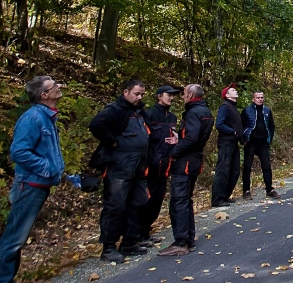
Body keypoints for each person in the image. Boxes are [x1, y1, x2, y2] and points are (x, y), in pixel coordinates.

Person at [0, 76, 65, 283]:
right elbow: (19, 152)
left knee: (18, 237)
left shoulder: (47, 117)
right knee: (13, 238)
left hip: (39, 185)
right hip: (29, 185)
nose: (58, 87)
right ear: (43, 95)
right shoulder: (33, 118)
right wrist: (47, 168)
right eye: (53, 86)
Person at [89, 78, 151, 263]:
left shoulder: (138, 111)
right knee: (115, 206)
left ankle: (130, 242)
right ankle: (108, 247)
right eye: (136, 94)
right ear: (126, 92)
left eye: (142, 94)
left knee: (139, 202)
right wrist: (112, 141)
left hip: (138, 167)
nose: (139, 97)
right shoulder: (116, 110)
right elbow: (96, 125)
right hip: (119, 167)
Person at [158, 84, 214, 256]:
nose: (181, 97)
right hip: (195, 160)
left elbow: (192, 138)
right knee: (186, 200)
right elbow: (192, 137)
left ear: (190, 95)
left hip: (186, 162)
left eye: (183, 94)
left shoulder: (193, 113)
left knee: (179, 201)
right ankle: (188, 239)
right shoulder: (205, 112)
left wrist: (175, 150)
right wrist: (180, 138)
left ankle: (181, 242)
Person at [138, 85, 180, 246]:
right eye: (167, 95)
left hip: (166, 164)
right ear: (158, 96)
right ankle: (138, 234)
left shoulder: (172, 117)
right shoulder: (149, 115)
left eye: (172, 95)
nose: (171, 97)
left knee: (158, 199)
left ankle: (146, 231)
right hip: (150, 164)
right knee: (145, 199)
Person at [210, 83, 243, 207]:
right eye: (233, 90)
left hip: (234, 143)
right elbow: (219, 124)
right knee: (223, 170)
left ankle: (225, 196)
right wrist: (232, 131)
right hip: (226, 142)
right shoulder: (225, 106)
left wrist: (241, 137)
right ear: (227, 95)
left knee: (234, 170)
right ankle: (217, 199)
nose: (236, 91)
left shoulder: (233, 107)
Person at [242, 91, 278, 200]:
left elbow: (271, 126)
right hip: (250, 142)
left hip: (263, 143)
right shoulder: (247, 111)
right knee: (247, 167)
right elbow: (241, 125)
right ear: (253, 99)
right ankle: (246, 191)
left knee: (266, 166)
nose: (260, 99)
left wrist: (269, 139)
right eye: (258, 97)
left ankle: (269, 189)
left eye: (262, 97)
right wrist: (244, 139)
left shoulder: (267, 110)